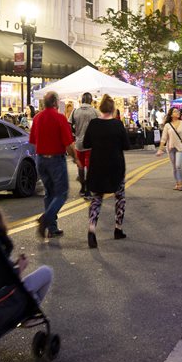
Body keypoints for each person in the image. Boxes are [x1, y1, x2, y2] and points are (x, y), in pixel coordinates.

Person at [0, 202, 54, 303]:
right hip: (1, 302)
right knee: (46, 272)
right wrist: (20, 267)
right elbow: (9, 283)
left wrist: (15, 265)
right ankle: (29, 309)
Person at [82, 95, 129, 247]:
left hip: (97, 166)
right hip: (116, 165)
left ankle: (91, 229)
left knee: (97, 198)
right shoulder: (117, 124)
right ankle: (118, 228)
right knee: (119, 197)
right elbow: (126, 145)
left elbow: (86, 143)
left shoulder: (93, 124)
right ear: (113, 109)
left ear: (101, 108)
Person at [28, 90, 76, 238]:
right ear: (55, 102)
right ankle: (46, 219)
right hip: (56, 159)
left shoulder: (37, 118)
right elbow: (68, 144)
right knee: (61, 193)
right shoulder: (60, 118)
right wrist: (75, 158)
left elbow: (33, 141)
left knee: (49, 193)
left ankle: (52, 228)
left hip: (41, 159)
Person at [70, 92, 98, 199]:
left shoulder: (75, 111)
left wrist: (74, 135)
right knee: (90, 168)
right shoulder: (95, 112)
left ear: (82, 100)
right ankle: (88, 190)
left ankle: (82, 187)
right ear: (90, 100)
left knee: (80, 167)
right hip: (91, 144)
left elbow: (70, 125)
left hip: (78, 144)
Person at [156, 107, 182, 190]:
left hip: (181, 148)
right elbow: (164, 138)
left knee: (178, 165)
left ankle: (181, 183)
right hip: (171, 148)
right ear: (171, 115)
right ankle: (177, 183)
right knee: (174, 167)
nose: (177, 112)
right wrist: (160, 149)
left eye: (178, 111)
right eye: (175, 111)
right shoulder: (167, 125)